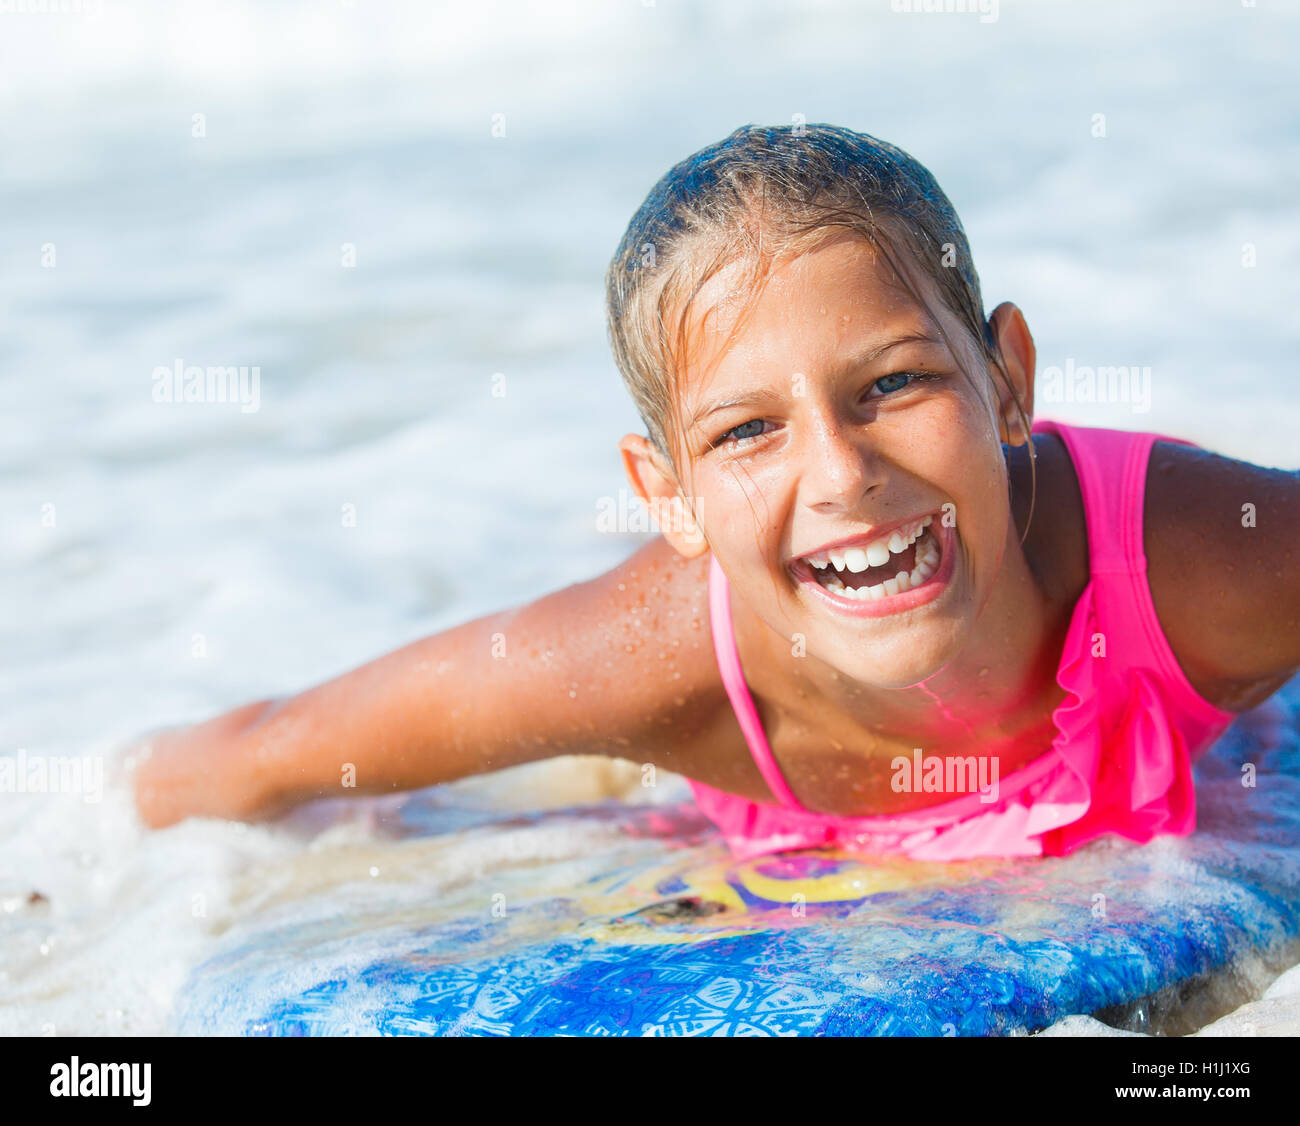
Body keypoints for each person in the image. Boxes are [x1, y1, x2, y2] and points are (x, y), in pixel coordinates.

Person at [132, 123, 1300, 862]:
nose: (841, 474)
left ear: (1007, 381)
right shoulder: (646, 658)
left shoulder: (1205, 568)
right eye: (747, 430)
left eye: (891, 382)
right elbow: (262, 753)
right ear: (669, 494)